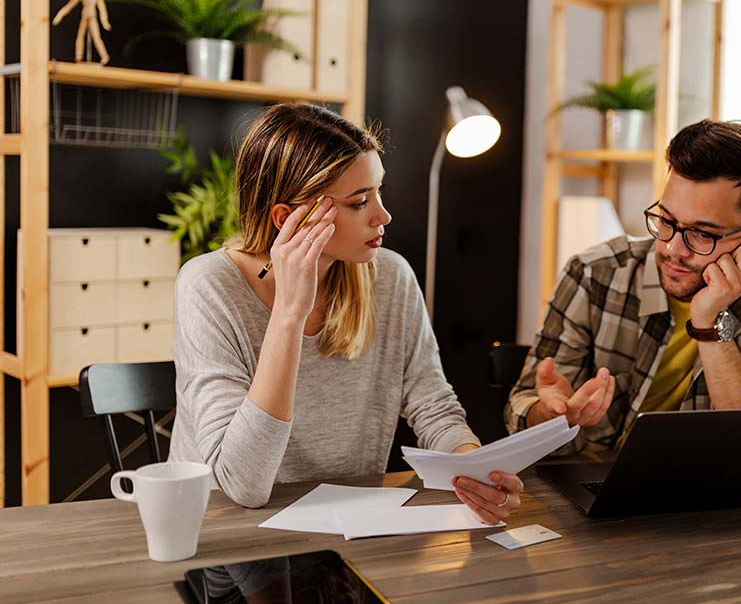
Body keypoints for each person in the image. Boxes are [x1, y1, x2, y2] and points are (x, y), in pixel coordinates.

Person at [169, 102, 522, 523]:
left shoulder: (390, 277)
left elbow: (434, 409)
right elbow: (242, 485)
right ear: (288, 219)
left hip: (351, 527)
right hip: (223, 534)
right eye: (359, 203)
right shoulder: (209, 286)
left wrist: (475, 471)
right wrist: (288, 315)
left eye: (379, 191)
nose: (384, 215)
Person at [506, 119, 741, 453]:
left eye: (703, 233)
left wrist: (710, 323)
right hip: (596, 482)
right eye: (667, 221)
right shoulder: (594, 273)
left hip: (718, 494)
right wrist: (552, 415)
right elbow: (520, 415)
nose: (673, 248)